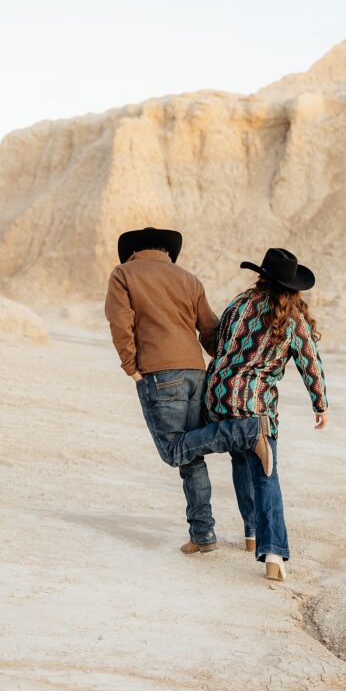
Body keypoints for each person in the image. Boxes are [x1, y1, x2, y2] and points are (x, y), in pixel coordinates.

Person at [134, 247, 329, 583]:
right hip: (255, 404)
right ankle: (272, 553)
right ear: (292, 286)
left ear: (261, 276)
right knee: (266, 472)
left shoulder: (239, 304)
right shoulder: (292, 317)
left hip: (219, 394)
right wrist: (320, 404)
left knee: (242, 461)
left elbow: (217, 343)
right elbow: (309, 360)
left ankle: (251, 531)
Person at [104, 226, 222, 553]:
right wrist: (219, 360)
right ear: (167, 252)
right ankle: (203, 535)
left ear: (132, 252)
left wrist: (132, 368)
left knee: (173, 450)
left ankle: (241, 433)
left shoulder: (123, 274)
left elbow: (119, 322)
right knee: (191, 454)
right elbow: (210, 328)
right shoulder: (189, 279)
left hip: (158, 372)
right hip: (197, 372)